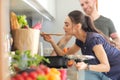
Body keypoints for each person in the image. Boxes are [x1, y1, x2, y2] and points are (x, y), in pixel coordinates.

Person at [42, 10, 120, 80]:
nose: (64, 27)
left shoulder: (94, 40)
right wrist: (51, 41)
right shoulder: (80, 40)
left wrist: (86, 66)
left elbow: (106, 67)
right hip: (107, 73)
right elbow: (64, 55)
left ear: (78, 26)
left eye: (67, 25)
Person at [50, 0, 120, 56]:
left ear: (94, 1)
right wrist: (51, 59)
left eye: (87, 2)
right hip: (90, 66)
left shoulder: (107, 22)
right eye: (82, 5)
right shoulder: (79, 22)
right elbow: (64, 40)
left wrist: (115, 46)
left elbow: (116, 39)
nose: (85, 6)